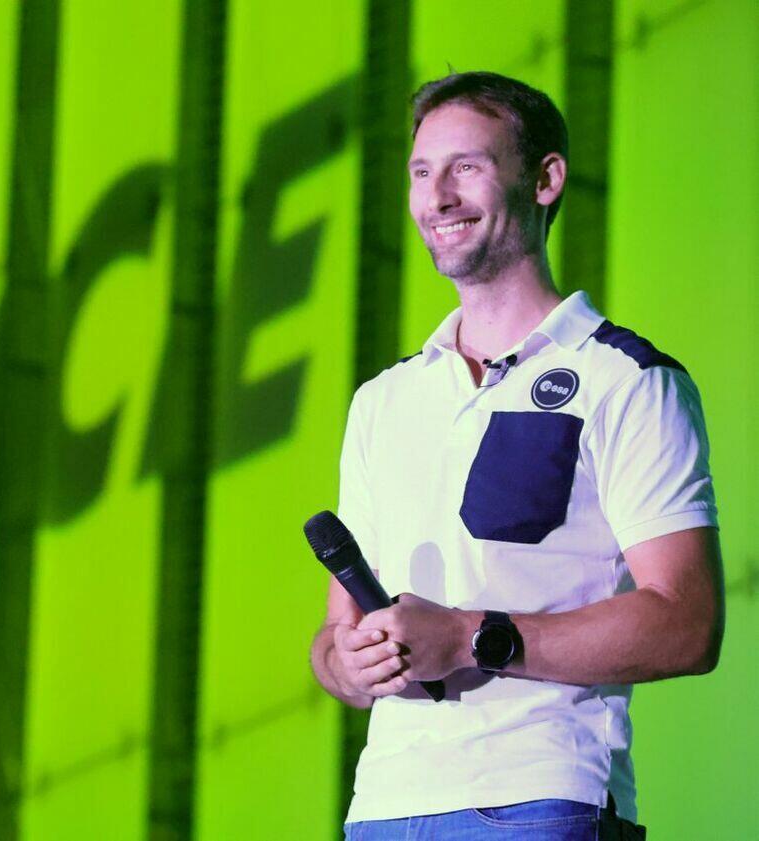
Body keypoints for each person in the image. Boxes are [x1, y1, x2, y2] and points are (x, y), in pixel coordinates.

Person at [308, 71, 724, 840]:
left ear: (545, 179)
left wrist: (471, 636)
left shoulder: (626, 379)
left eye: (465, 167)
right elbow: (336, 637)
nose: (437, 198)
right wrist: (347, 663)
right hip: (382, 810)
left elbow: (688, 621)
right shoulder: (382, 401)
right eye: (421, 172)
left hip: (539, 796)